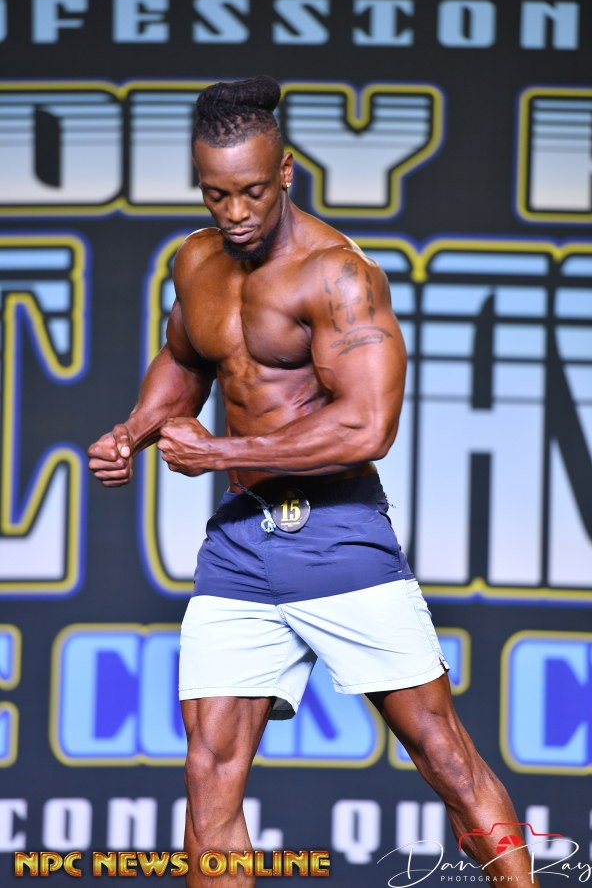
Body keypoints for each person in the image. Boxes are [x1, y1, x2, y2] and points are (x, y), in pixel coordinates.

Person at [88, 76, 538, 887]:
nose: (235, 213)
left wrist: (220, 454)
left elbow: (367, 428)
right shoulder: (197, 261)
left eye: (253, 192)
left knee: (441, 753)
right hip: (238, 548)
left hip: (337, 535)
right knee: (208, 771)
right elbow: (184, 361)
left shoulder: (338, 277)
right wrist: (134, 430)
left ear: (286, 172)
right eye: (217, 194)